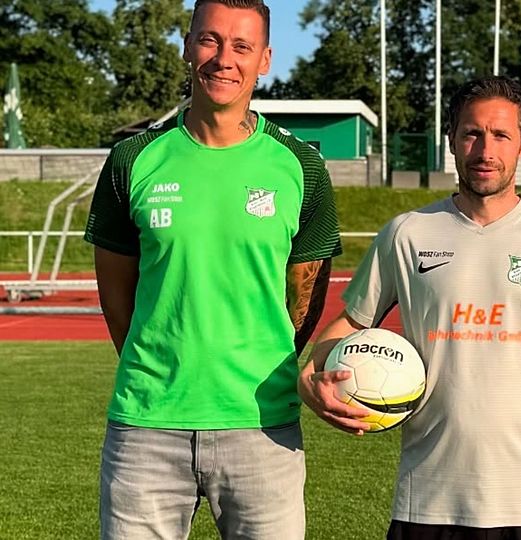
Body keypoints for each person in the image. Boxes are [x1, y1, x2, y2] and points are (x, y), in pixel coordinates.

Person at [299, 76, 521, 540]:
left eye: (500, 135)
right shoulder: (408, 233)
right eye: (471, 133)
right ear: (452, 141)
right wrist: (309, 380)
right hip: (428, 497)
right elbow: (348, 323)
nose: (485, 149)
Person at [84, 1, 342, 537]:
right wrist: (159, 369)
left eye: (242, 46)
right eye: (210, 40)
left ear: (265, 58)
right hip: (146, 427)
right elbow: (115, 296)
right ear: (187, 45)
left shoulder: (301, 166)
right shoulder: (133, 159)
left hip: (263, 428)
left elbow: (305, 298)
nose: (224, 59)